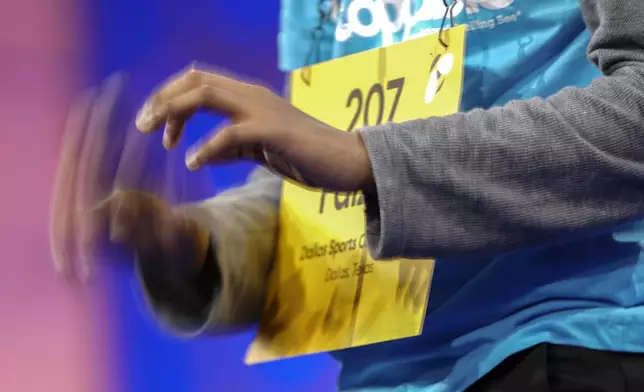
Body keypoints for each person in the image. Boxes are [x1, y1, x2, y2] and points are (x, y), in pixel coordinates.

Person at [51, 0, 644, 390]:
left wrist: (364, 158)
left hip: (572, 341)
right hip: (387, 375)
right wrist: (190, 244)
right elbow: (330, 173)